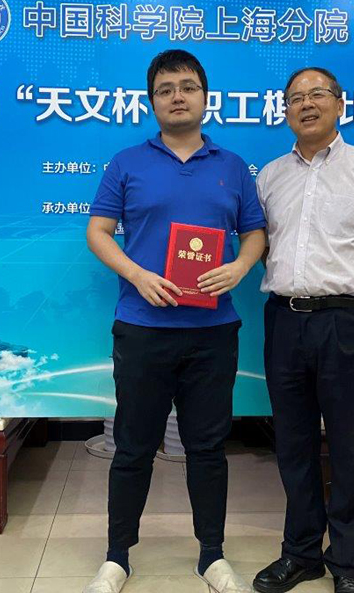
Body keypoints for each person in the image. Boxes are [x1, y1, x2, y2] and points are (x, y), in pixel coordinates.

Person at [83, 49, 266, 593]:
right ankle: (117, 556)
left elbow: (255, 232)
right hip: (142, 327)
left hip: (213, 332)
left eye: (187, 86)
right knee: (133, 447)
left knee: (207, 448)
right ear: (152, 101)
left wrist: (240, 266)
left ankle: (212, 555)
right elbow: (97, 232)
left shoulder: (232, 166)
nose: (177, 96)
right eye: (165, 90)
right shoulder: (126, 163)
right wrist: (137, 275)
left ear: (206, 97)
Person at [252, 67, 354, 593]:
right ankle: (301, 553)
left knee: (349, 446)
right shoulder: (269, 177)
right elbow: (265, 251)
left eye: (317, 94)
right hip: (284, 321)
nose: (306, 104)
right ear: (284, 111)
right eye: (295, 97)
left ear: (340, 105)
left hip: (348, 322)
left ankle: (347, 562)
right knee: (292, 442)